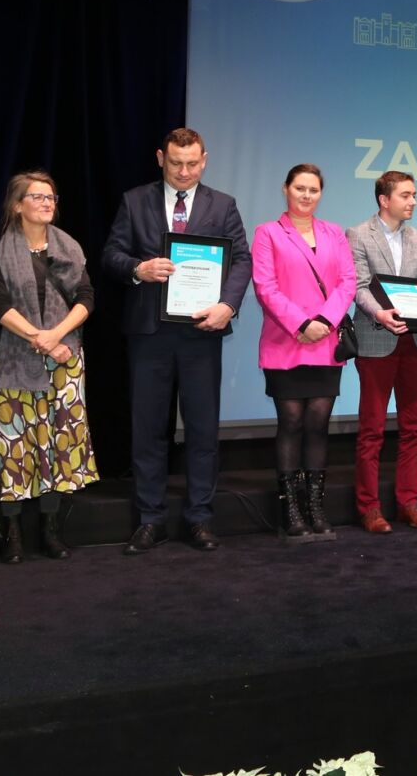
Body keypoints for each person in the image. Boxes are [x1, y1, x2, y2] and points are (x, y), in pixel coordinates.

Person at [101, 128, 253, 555]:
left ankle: (199, 517)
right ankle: (150, 519)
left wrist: (228, 305)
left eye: (191, 163)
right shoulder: (134, 201)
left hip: (202, 332)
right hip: (149, 333)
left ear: (204, 160)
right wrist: (138, 269)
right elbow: (111, 255)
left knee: (202, 430)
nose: (184, 172)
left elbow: (242, 259)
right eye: (175, 163)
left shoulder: (223, 204)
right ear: (160, 158)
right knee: (148, 429)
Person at [0, 172, 98, 563]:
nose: (46, 203)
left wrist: (56, 336)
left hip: (65, 360)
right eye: (37, 196)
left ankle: (51, 531)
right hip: (16, 358)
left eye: (51, 197)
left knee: (57, 443)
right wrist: (39, 339)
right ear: (17, 205)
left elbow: (86, 297)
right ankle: (12, 533)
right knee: (13, 446)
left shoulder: (69, 247)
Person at [346, 170, 417, 534]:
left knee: (414, 427)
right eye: (406, 195)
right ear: (384, 200)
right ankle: (369, 508)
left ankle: (408, 502)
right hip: (376, 340)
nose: (413, 201)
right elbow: (358, 287)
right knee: (372, 430)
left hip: (415, 342)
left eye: (414, 195)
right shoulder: (358, 234)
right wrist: (378, 313)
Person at [252, 163, 355, 540]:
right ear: (286, 189)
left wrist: (324, 321)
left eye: (313, 189)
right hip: (286, 341)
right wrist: (301, 324)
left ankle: (315, 506)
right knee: (291, 423)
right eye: (300, 188)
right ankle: (290, 509)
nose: (306, 195)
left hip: (326, 342)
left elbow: (348, 282)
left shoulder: (334, 233)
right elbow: (265, 287)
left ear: (320, 193)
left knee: (318, 425)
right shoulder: (267, 233)